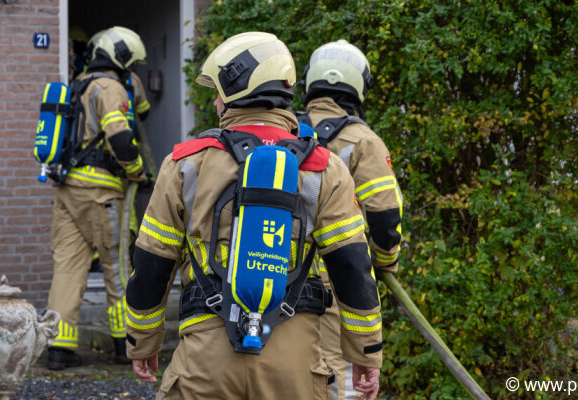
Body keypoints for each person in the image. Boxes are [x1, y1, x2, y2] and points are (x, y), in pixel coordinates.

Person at [125, 32, 382, 400]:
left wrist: (142, 341)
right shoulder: (324, 168)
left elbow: (151, 262)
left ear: (236, 87)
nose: (215, 101)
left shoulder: (185, 164)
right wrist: (365, 352)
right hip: (294, 364)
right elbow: (353, 268)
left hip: (206, 360)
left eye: (217, 91)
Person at [299, 40, 403, 400]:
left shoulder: (285, 133)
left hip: (277, 274)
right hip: (336, 279)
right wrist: (384, 262)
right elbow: (385, 216)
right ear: (360, 87)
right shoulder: (363, 142)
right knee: (339, 374)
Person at [45, 26, 149, 370]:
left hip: (67, 189)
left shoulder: (78, 84)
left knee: (68, 267)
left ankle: (59, 349)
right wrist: (137, 170)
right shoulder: (111, 87)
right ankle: (125, 345)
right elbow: (119, 138)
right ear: (122, 58)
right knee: (117, 267)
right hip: (100, 191)